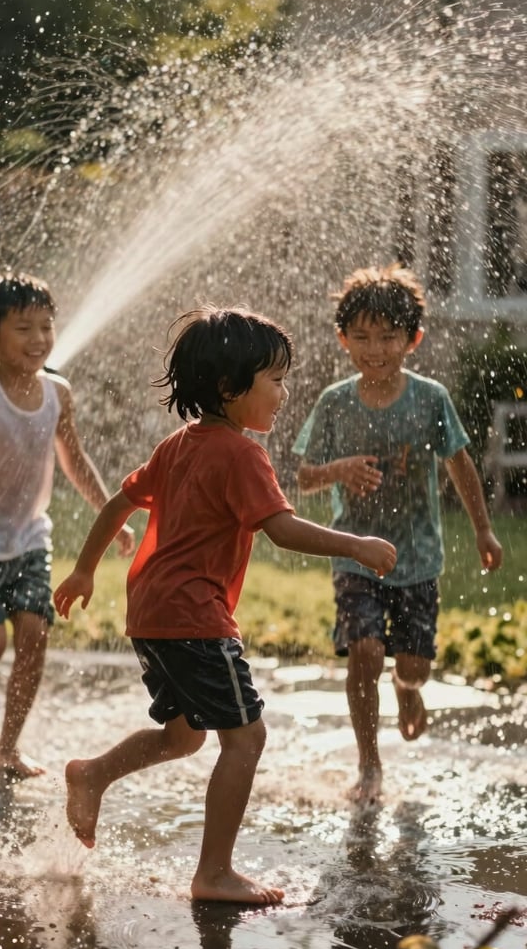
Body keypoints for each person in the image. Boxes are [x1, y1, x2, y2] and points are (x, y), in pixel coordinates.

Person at [54, 306, 396, 904]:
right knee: (246, 738)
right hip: (194, 616)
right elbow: (283, 530)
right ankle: (213, 873)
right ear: (228, 387)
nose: (284, 393)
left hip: (153, 613)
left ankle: (93, 773)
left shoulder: (179, 444)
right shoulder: (242, 455)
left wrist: (86, 569)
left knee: (185, 735)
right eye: (275, 380)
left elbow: (117, 503)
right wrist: (358, 545)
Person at [293, 264, 503, 807]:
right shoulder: (335, 402)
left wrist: (483, 530)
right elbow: (302, 477)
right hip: (355, 555)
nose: (374, 349)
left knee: (412, 666)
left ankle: (408, 694)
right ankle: (369, 764)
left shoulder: (429, 399)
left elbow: (460, 465)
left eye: (388, 337)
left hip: (418, 558)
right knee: (364, 650)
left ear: (413, 339)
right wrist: (338, 470)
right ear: (342, 339)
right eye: (360, 337)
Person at [0, 273, 135, 780]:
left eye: (46, 327)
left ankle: (7, 749)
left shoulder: (59, 392)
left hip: (30, 537)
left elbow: (75, 461)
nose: (39, 339)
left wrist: (113, 514)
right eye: (23, 329)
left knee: (35, 635)